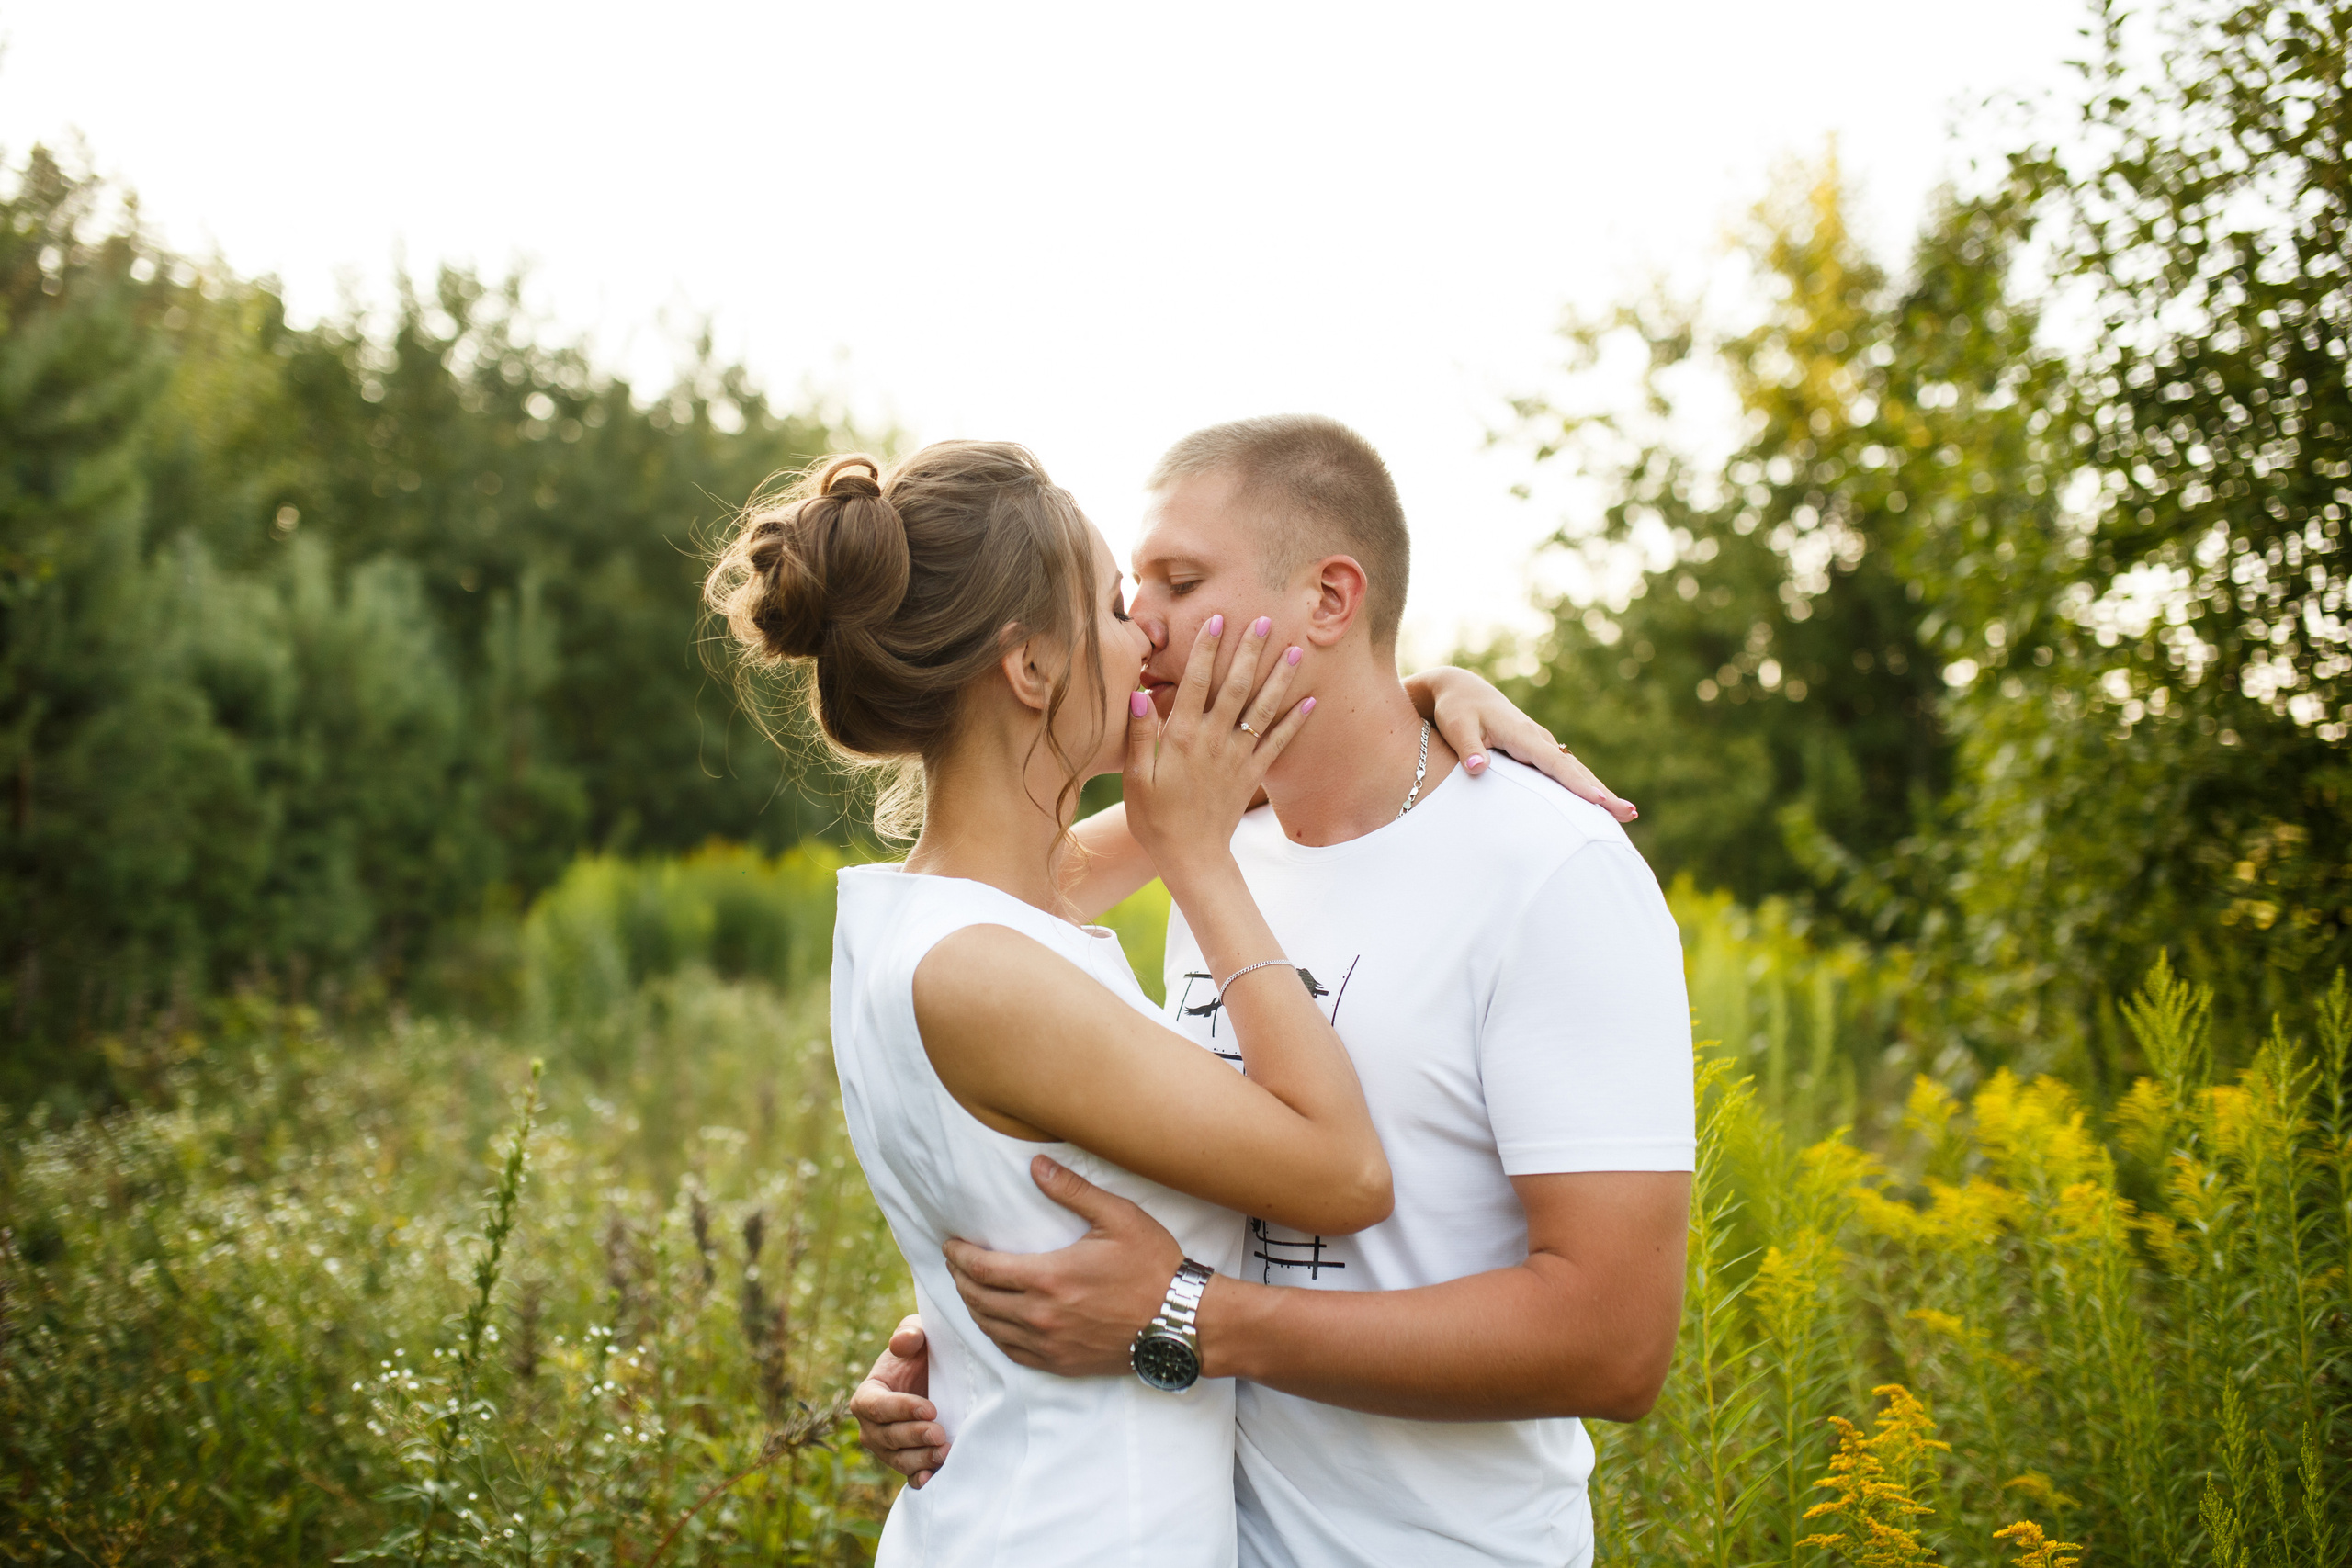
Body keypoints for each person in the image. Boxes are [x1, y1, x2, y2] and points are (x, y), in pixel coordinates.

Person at [851, 416, 1694, 1568]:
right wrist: (974, 1342)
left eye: (1178, 581)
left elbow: (1614, 1346)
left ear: (1330, 601)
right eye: (1125, 590)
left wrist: (1186, 1317)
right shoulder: (1212, 844)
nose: (1140, 624)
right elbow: (981, 926)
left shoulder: (1548, 874)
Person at [707, 440, 1533, 1568]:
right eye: (1109, 604)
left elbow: (1125, 843)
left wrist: (1412, 697)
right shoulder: (987, 972)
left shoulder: (933, 919)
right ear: (1031, 670)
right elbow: (1344, 1174)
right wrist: (1203, 862)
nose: (1145, 630)